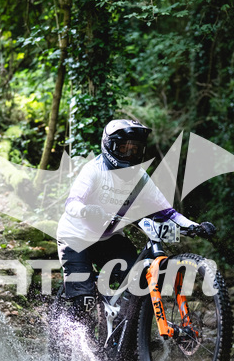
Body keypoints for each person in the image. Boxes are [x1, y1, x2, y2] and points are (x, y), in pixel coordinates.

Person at [56, 119, 216, 321]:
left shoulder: (140, 178)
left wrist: (195, 227)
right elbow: (71, 203)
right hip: (76, 238)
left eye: (135, 149)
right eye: (124, 148)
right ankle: (67, 333)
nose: (130, 154)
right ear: (109, 146)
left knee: (139, 282)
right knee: (84, 301)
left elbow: (167, 212)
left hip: (109, 238)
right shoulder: (94, 170)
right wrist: (86, 211)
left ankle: (125, 332)